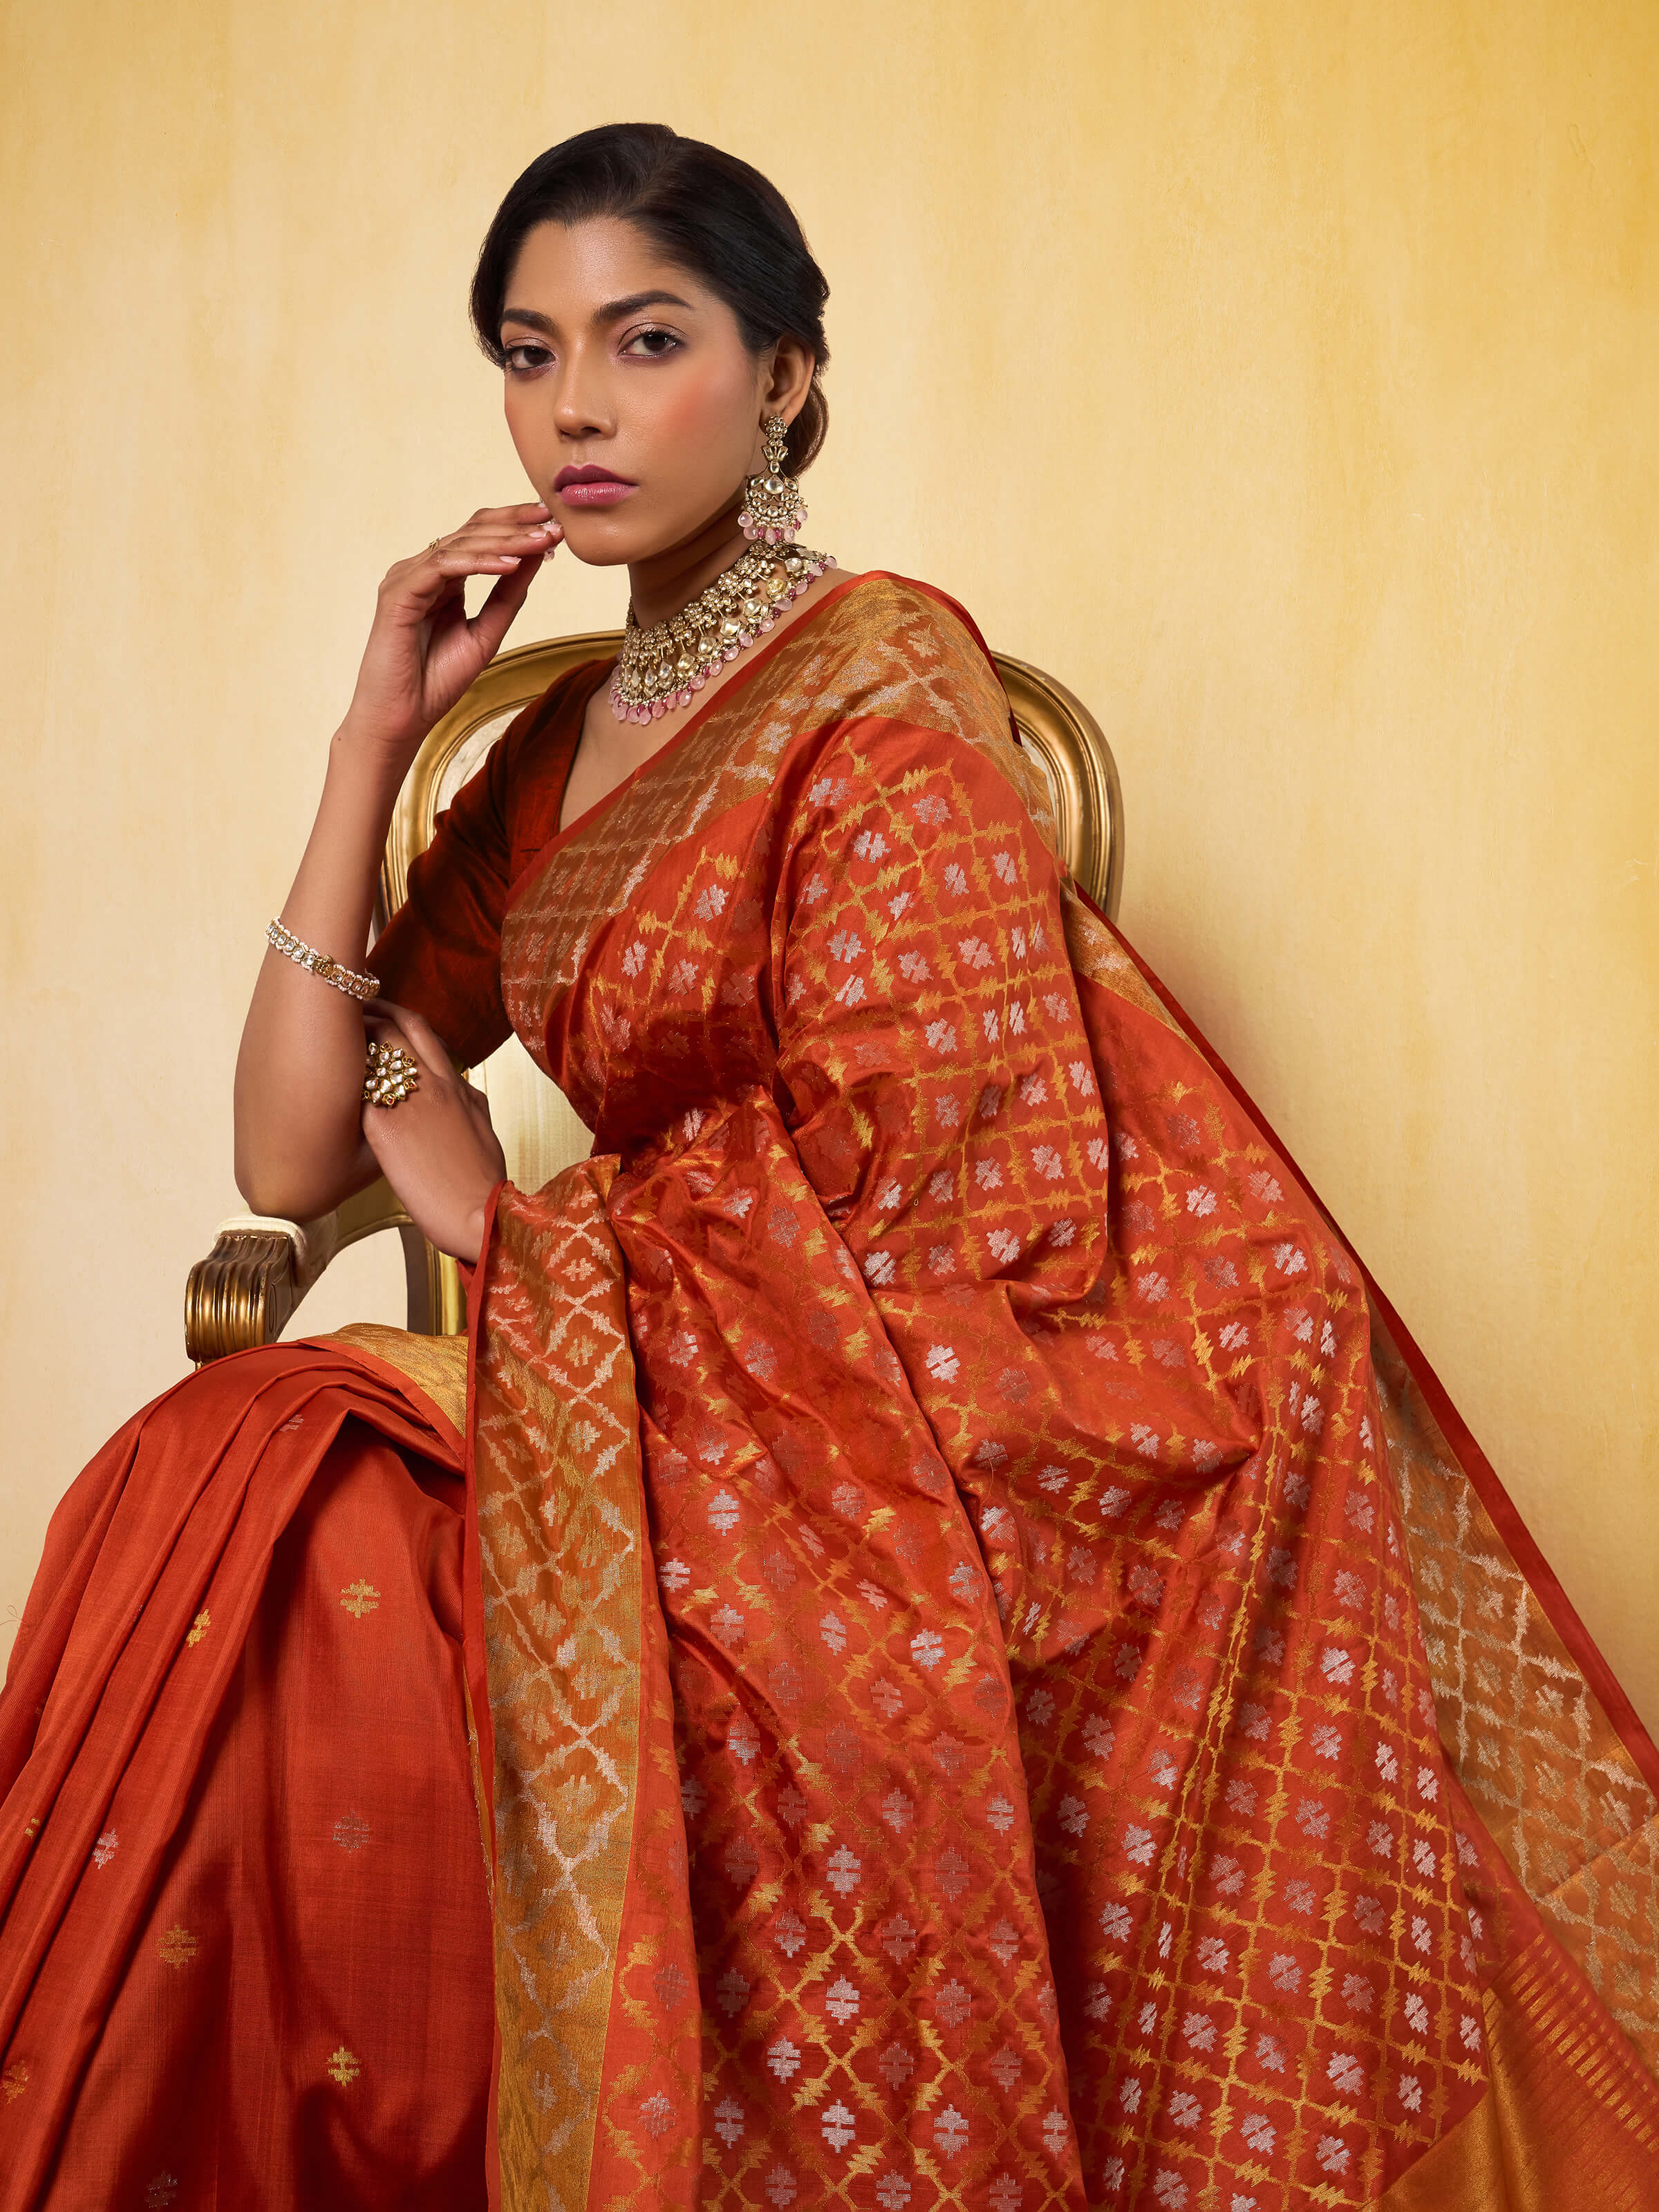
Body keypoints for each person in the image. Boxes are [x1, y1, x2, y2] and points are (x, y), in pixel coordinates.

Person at [2, 122, 1655, 2212]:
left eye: (646, 340)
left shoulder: (884, 684)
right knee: (228, 1472)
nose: (577, 408)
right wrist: (368, 742)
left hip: (920, 1418)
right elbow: (287, 1139)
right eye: (529, 351)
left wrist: (500, 1226)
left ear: (782, 377)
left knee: (313, 1533)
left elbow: (947, 1200)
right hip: (667, 1390)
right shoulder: (557, 747)